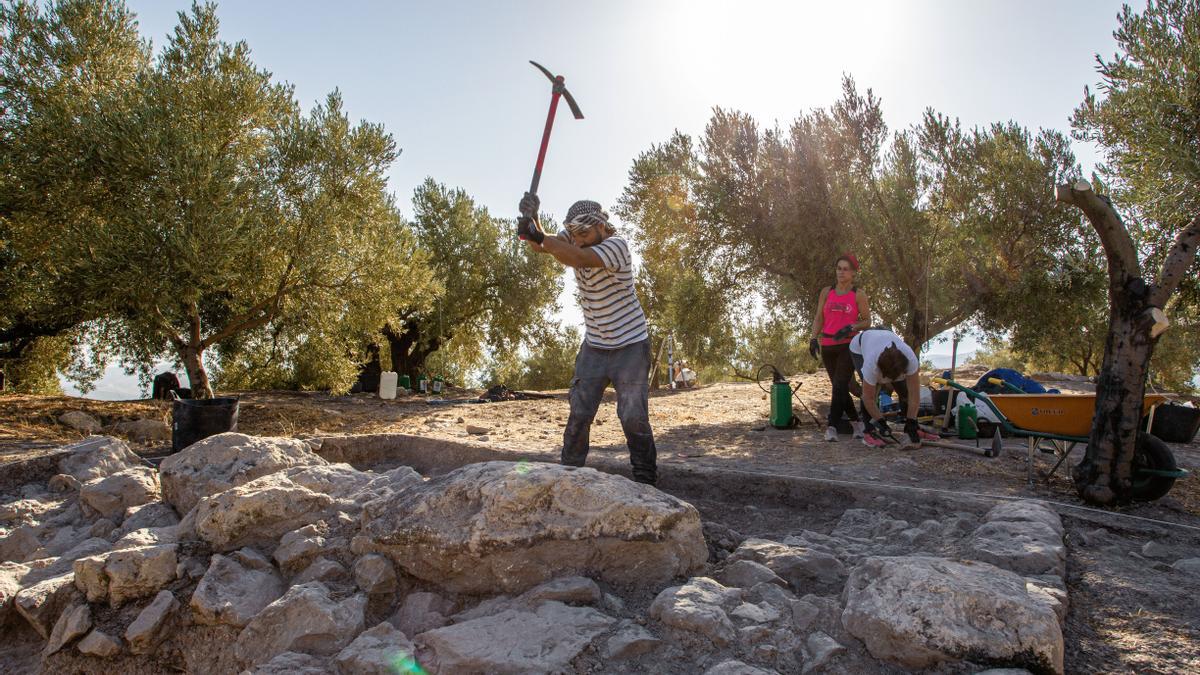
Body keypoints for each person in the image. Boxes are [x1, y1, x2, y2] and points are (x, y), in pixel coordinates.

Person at [517, 192, 658, 485]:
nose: (578, 240)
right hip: (594, 346)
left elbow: (577, 257)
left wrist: (539, 236)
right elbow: (540, 246)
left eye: (584, 233)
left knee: (632, 416)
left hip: (631, 346)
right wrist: (532, 221)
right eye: (574, 234)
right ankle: (568, 475)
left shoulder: (617, 246)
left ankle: (646, 480)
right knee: (579, 413)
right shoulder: (574, 239)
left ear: (602, 227)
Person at [809, 254, 870, 442]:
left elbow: (867, 321)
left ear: (853, 273)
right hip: (828, 345)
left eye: (845, 269)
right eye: (839, 268)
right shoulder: (827, 292)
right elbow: (819, 317)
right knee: (840, 388)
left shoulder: (858, 294)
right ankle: (857, 424)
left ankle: (832, 427)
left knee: (839, 385)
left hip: (848, 344)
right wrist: (813, 338)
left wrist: (851, 327)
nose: (841, 272)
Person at [849, 328, 933, 448]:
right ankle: (869, 432)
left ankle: (912, 428)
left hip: (883, 338)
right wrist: (880, 421)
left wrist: (912, 422)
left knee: (904, 391)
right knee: (871, 392)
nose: (890, 382)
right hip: (859, 345)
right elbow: (868, 398)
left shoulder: (911, 359)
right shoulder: (871, 365)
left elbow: (914, 395)